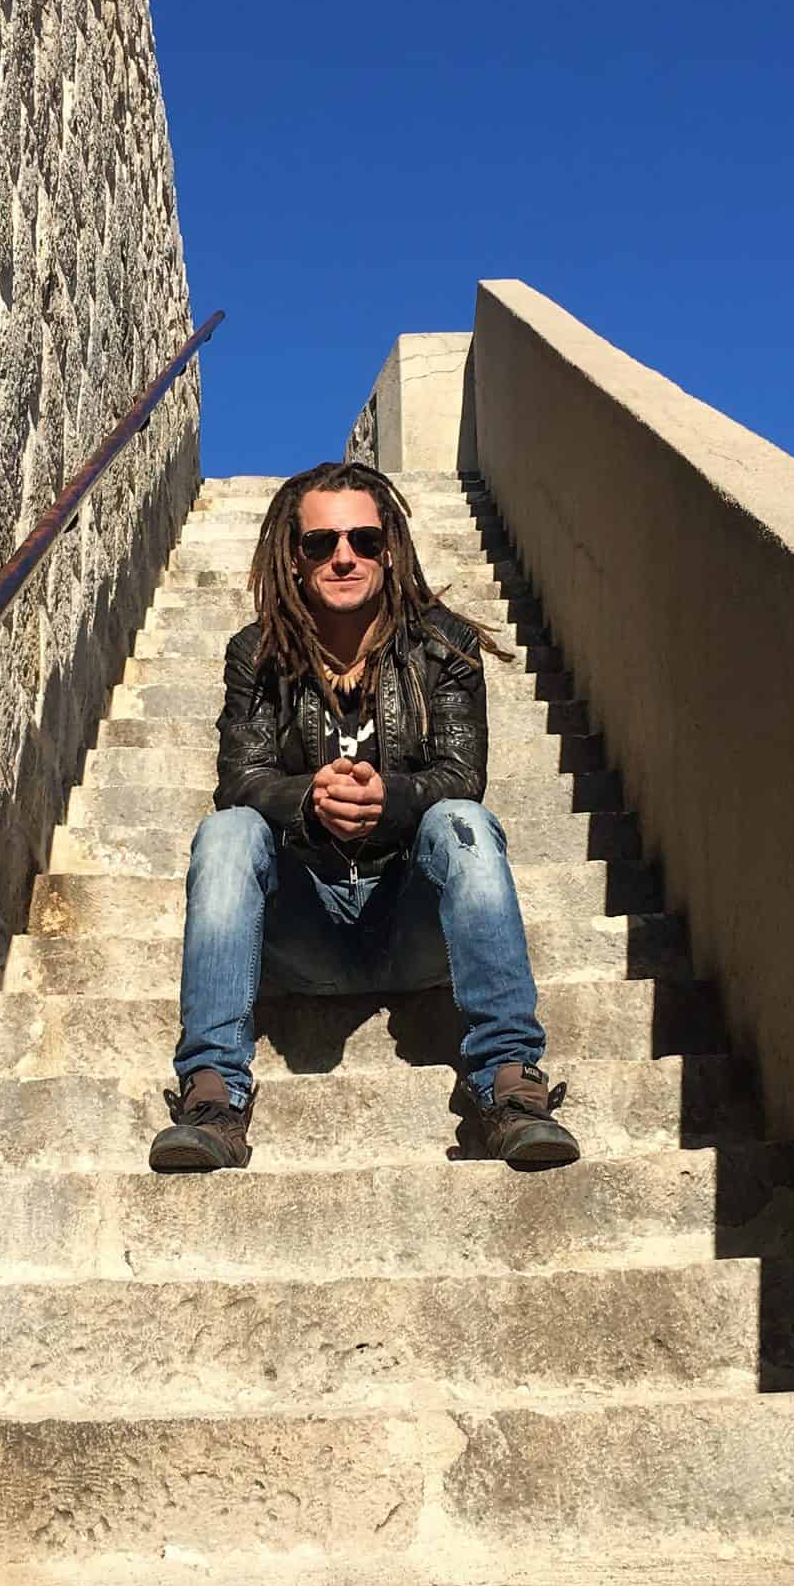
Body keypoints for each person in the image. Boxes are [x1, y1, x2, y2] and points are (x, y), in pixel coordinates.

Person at [148, 461, 581, 1173]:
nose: (342, 556)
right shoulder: (255, 655)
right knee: (226, 830)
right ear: (293, 554)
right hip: (302, 933)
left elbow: (459, 774)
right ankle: (214, 1094)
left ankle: (510, 1083)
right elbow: (242, 779)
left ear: (391, 549)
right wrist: (310, 804)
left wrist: (392, 803)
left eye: (362, 540)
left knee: (461, 821)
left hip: (412, 925)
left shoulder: (443, 647)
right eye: (320, 543)